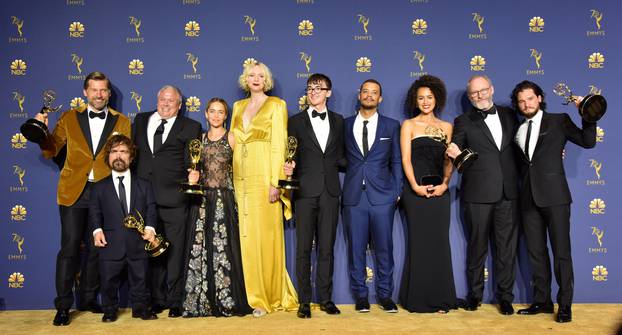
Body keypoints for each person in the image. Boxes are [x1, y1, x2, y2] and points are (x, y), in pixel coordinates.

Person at [35, 72, 131, 326]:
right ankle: (64, 306)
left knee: (97, 249)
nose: (99, 95)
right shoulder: (69, 117)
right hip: (73, 192)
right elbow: (51, 150)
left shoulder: (122, 122)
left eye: (103, 90)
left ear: (109, 93)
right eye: (94, 90)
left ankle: (88, 298)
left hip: (104, 192)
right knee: (69, 250)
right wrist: (41, 130)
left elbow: (125, 156)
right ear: (85, 93)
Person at [511, 80, 596, 323]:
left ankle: (565, 305)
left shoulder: (559, 120)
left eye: (530, 98)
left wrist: (588, 115)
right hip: (528, 198)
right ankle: (543, 301)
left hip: (555, 197)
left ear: (539, 98)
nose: (526, 104)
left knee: (561, 253)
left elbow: (588, 142)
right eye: (521, 101)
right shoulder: (518, 129)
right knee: (536, 253)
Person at [446, 75, 520, 315]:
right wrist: (453, 152)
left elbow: (523, 144)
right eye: (474, 93)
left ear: (491, 89)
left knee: (506, 249)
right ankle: (474, 296)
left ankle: (505, 297)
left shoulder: (510, 115)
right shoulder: (463, 120)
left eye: (483, 91)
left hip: (508, 193)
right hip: (477, 193)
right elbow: (456, 151)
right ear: (469, 97)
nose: (479, 96)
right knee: (476, 247)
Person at [230, 60, 298, 316]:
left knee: (265, 238)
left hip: (264, 179)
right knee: (245, 237)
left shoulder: (277, 105)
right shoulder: (237, 107)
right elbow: (232, 142)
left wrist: (275, 183)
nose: (256, 79)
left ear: (266, 80)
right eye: (251, 75)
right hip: (240, 178)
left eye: (260, 75)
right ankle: (250, 297)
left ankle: (266, 296)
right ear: (245, 79)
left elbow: (279, 145)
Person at [132, 85, 202, 317]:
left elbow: (192, 162)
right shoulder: (141, 121)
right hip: (143, 200)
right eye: (162, 99)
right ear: (157, 99)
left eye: (171, 101)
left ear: (180, 105)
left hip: (174, 199)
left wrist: (193, 176)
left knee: (174, 252)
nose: (166, 104)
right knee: (149, 251)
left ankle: (174, 300)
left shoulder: (191, 127)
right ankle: (155, 298)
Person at [182, 98, 252, 317]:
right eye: (212, 111)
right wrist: (193, 177)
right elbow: (195, 168)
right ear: (205, 113)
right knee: (201, 248)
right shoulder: (199, 139)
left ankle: (226, 300)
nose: (215, 116)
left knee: (224, 250)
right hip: (202, 201)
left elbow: (241, 170)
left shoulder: (231, 138)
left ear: (226, 116)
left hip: (224, 199)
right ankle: (201, 301)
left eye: (220, 112)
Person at [284, 74, 346, 318]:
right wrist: (289, 167)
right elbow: (291, 154)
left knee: (327, 248)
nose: (313, 92)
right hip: (305, 191)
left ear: (328, 92)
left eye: (319, 88)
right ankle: (304, 302)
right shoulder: (295, 121)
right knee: (302, 249)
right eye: (310, 88)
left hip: (330, 191)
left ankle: (326, 299)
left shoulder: (340, 121)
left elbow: (342, 155)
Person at [342, 79, 402, 313]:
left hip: (383, 197)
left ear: (381, 98)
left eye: (374, 92)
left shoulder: (391, 125)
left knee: (384, 248)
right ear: (359, 95)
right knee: (355, 249)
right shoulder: (345, 125)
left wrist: (397, 192)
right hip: (354, 197)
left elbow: (396, 160)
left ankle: (386, 295)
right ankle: (360, 296)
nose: (369, 96)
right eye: (365, 92)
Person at [398, 75, 457, 313]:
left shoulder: (447, 127)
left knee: (439, 244)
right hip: (415, 194)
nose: (425, 101)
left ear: (437, 99)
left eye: (429, 97)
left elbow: (448, 162)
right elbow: (405, 159)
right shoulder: (409, 125)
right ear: (415, 100)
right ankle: (417, 300)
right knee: (419, 244)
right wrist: (414, 186)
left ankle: (441, 299)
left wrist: (445, 184)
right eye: (421, 98)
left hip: (440, 194)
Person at [90, 134, 158, 322]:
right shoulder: (99, 187)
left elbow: (151, 208)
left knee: (141, 278)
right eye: (114, 152)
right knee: (108, 281)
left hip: (138, 241)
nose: (119, 156)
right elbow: (95, 212)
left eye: (123, 151)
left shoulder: (144, 184)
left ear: (131, 156)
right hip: (110, 243)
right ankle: (109, 310)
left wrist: (151, 228)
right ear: (108, 156)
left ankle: (141, 308)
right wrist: (97, 230)